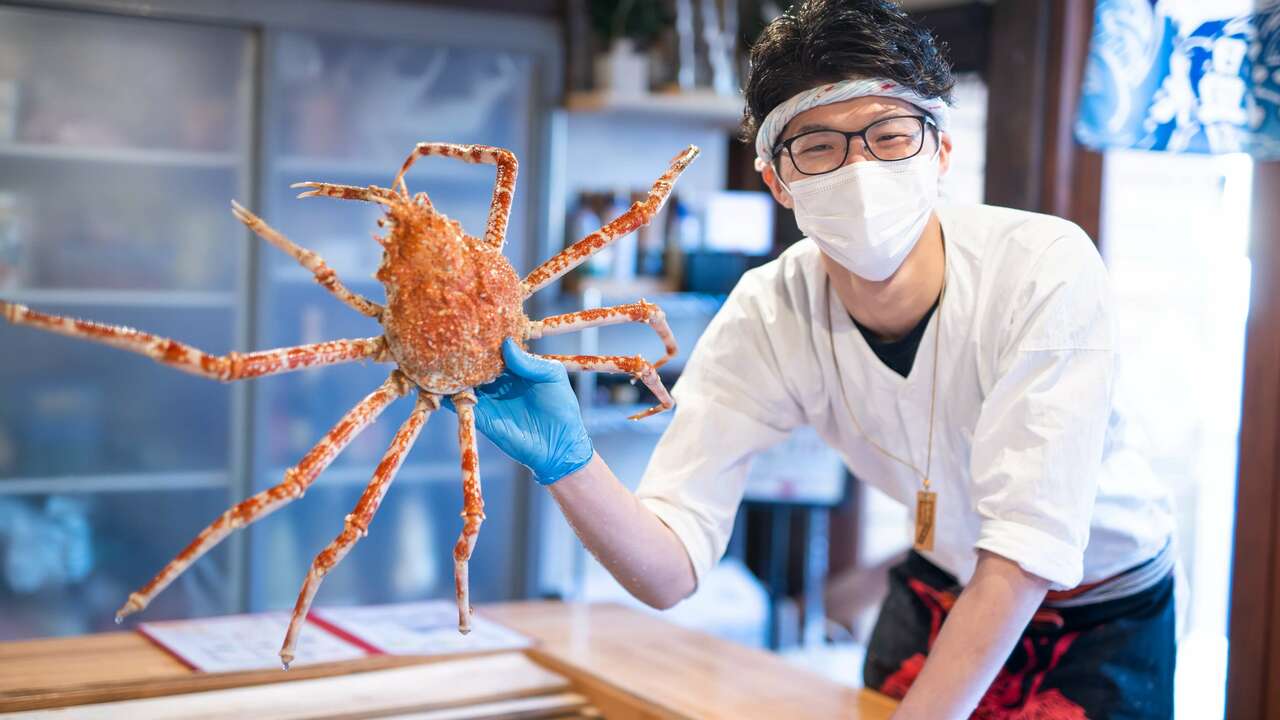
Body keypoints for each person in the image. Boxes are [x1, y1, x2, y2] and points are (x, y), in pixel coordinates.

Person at [456, 1, 1177, 717]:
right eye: (820, 147)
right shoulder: (768, 313)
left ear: (941, 151)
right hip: (941, 577)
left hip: (1102, 603)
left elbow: (1024, 553)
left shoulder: (1042, 267)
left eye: (890, 136)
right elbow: (669, 570)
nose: (859, 167)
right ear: (777, 178)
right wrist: (570, 462)